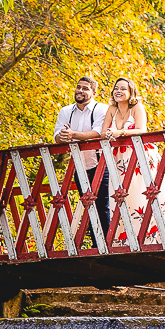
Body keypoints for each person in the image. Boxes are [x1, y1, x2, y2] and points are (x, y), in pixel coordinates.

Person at [102, 77, 165, 244]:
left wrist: (120, 132)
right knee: (121, 195)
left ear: (131, 92)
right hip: (120, 157)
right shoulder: (111, 109)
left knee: (141, 195)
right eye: (116, 88)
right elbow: (103, 132)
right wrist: (110, 134)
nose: (119, 91)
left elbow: (141, 130)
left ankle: (148, 239)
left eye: (123, 88)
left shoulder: (137, 107)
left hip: (140, 156)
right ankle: (124, 240)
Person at [54, 76, 109, 234]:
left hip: (101, 164)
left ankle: (107, 246)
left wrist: (73, 134)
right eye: (79, 87)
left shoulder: (101, 109)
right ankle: (95, 246)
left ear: (94, 92)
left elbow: (98, 133)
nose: (80, 91)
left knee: (103, 205)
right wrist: (63, 136)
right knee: (88, 205)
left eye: (85, 88)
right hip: (79, 166)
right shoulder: (66, 111)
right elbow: (57, 136)